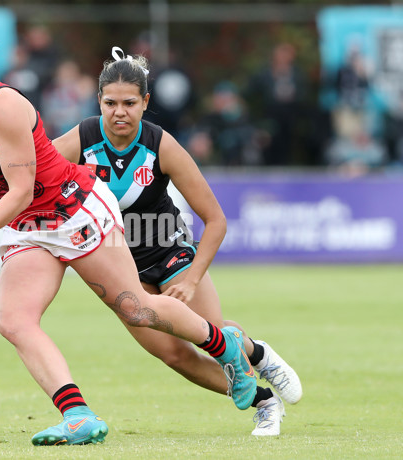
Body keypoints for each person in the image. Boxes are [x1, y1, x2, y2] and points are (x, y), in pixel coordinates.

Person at [0, 17, 257, 447]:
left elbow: (19, 190)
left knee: (138, 308)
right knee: (13, 321)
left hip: (74, 209)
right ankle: (78, 415)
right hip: (30, 225)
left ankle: (225, 344)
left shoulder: (3, 104)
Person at [52, 47, 303, 436]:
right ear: (98, 101)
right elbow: (29, 179)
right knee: (173, 355)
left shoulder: (161, 145)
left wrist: (190, 280)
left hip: (169, 252)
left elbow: (216, 220)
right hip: (118, 263)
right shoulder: (82, 137)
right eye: (110, 103)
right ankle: (264, 400)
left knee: (209, 332)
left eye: (130, 103)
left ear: (145, 102)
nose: (120, 112)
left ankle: (257, 354)